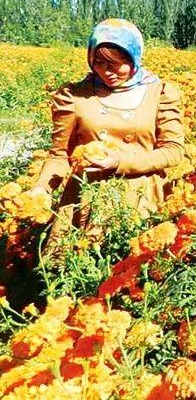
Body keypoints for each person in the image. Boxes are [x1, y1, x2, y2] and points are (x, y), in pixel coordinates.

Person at [31, 19, 185, 245]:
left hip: (141, 198)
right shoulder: (75, 95)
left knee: (130, 270)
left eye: (117, 63)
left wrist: (119, 162)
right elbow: (60, 154)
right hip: (84, 199)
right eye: (99, 62)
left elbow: (173, 151)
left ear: (134, 58)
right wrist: (41, 189)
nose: (107, 71)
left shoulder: (160, 93)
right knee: (75, 269)